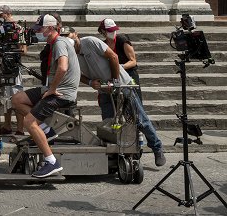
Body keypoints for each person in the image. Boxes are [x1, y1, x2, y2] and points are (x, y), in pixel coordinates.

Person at [67, 29, 166, 167]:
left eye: (70, 36)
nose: (69, 40)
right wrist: (90, 82)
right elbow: (75, 73)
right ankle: (113, 154)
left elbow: (113, 57)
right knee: (109, 123)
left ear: (76, 34)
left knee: (139, 119)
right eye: (65, 37)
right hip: (104, 89)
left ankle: (157, 147)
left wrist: (114, 81)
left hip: (121, 84)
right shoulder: (70, 53)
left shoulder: (90, 42)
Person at [12, 14, 81, 178]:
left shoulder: (59, 43)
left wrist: (52, 89)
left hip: (62, 92)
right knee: (17, 100)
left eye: (41, 28)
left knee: (29, 121)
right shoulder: (58, 42)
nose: (38, 32)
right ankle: (46, 132)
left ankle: (51, 162)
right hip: (51, 88)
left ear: (50, 28)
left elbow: (63, 67)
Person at [0, 5, 26, 136]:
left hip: (14, 67)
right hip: (1, 66)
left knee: (17, 97)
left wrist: (11, 52)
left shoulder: (19, 29)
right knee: (4, 97)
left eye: (1, 15)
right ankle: (6, 126)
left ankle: (20, 128)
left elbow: (24, 50)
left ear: (7, 14)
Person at [98, 18, 143, 101]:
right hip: (113, 75)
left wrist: (120, 67)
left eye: (113, 30)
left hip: (129, 73)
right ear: (103, 31)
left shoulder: (122, 40)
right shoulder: (103, 45)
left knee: (135, 100)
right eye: (109, 31)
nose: (113, 32)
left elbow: (133, 61)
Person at [37, 12, 63, 85]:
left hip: (57, 84)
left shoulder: (60, 42)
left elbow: (62, 68)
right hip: (48, 79)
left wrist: (53, 87)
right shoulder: (51, 41)